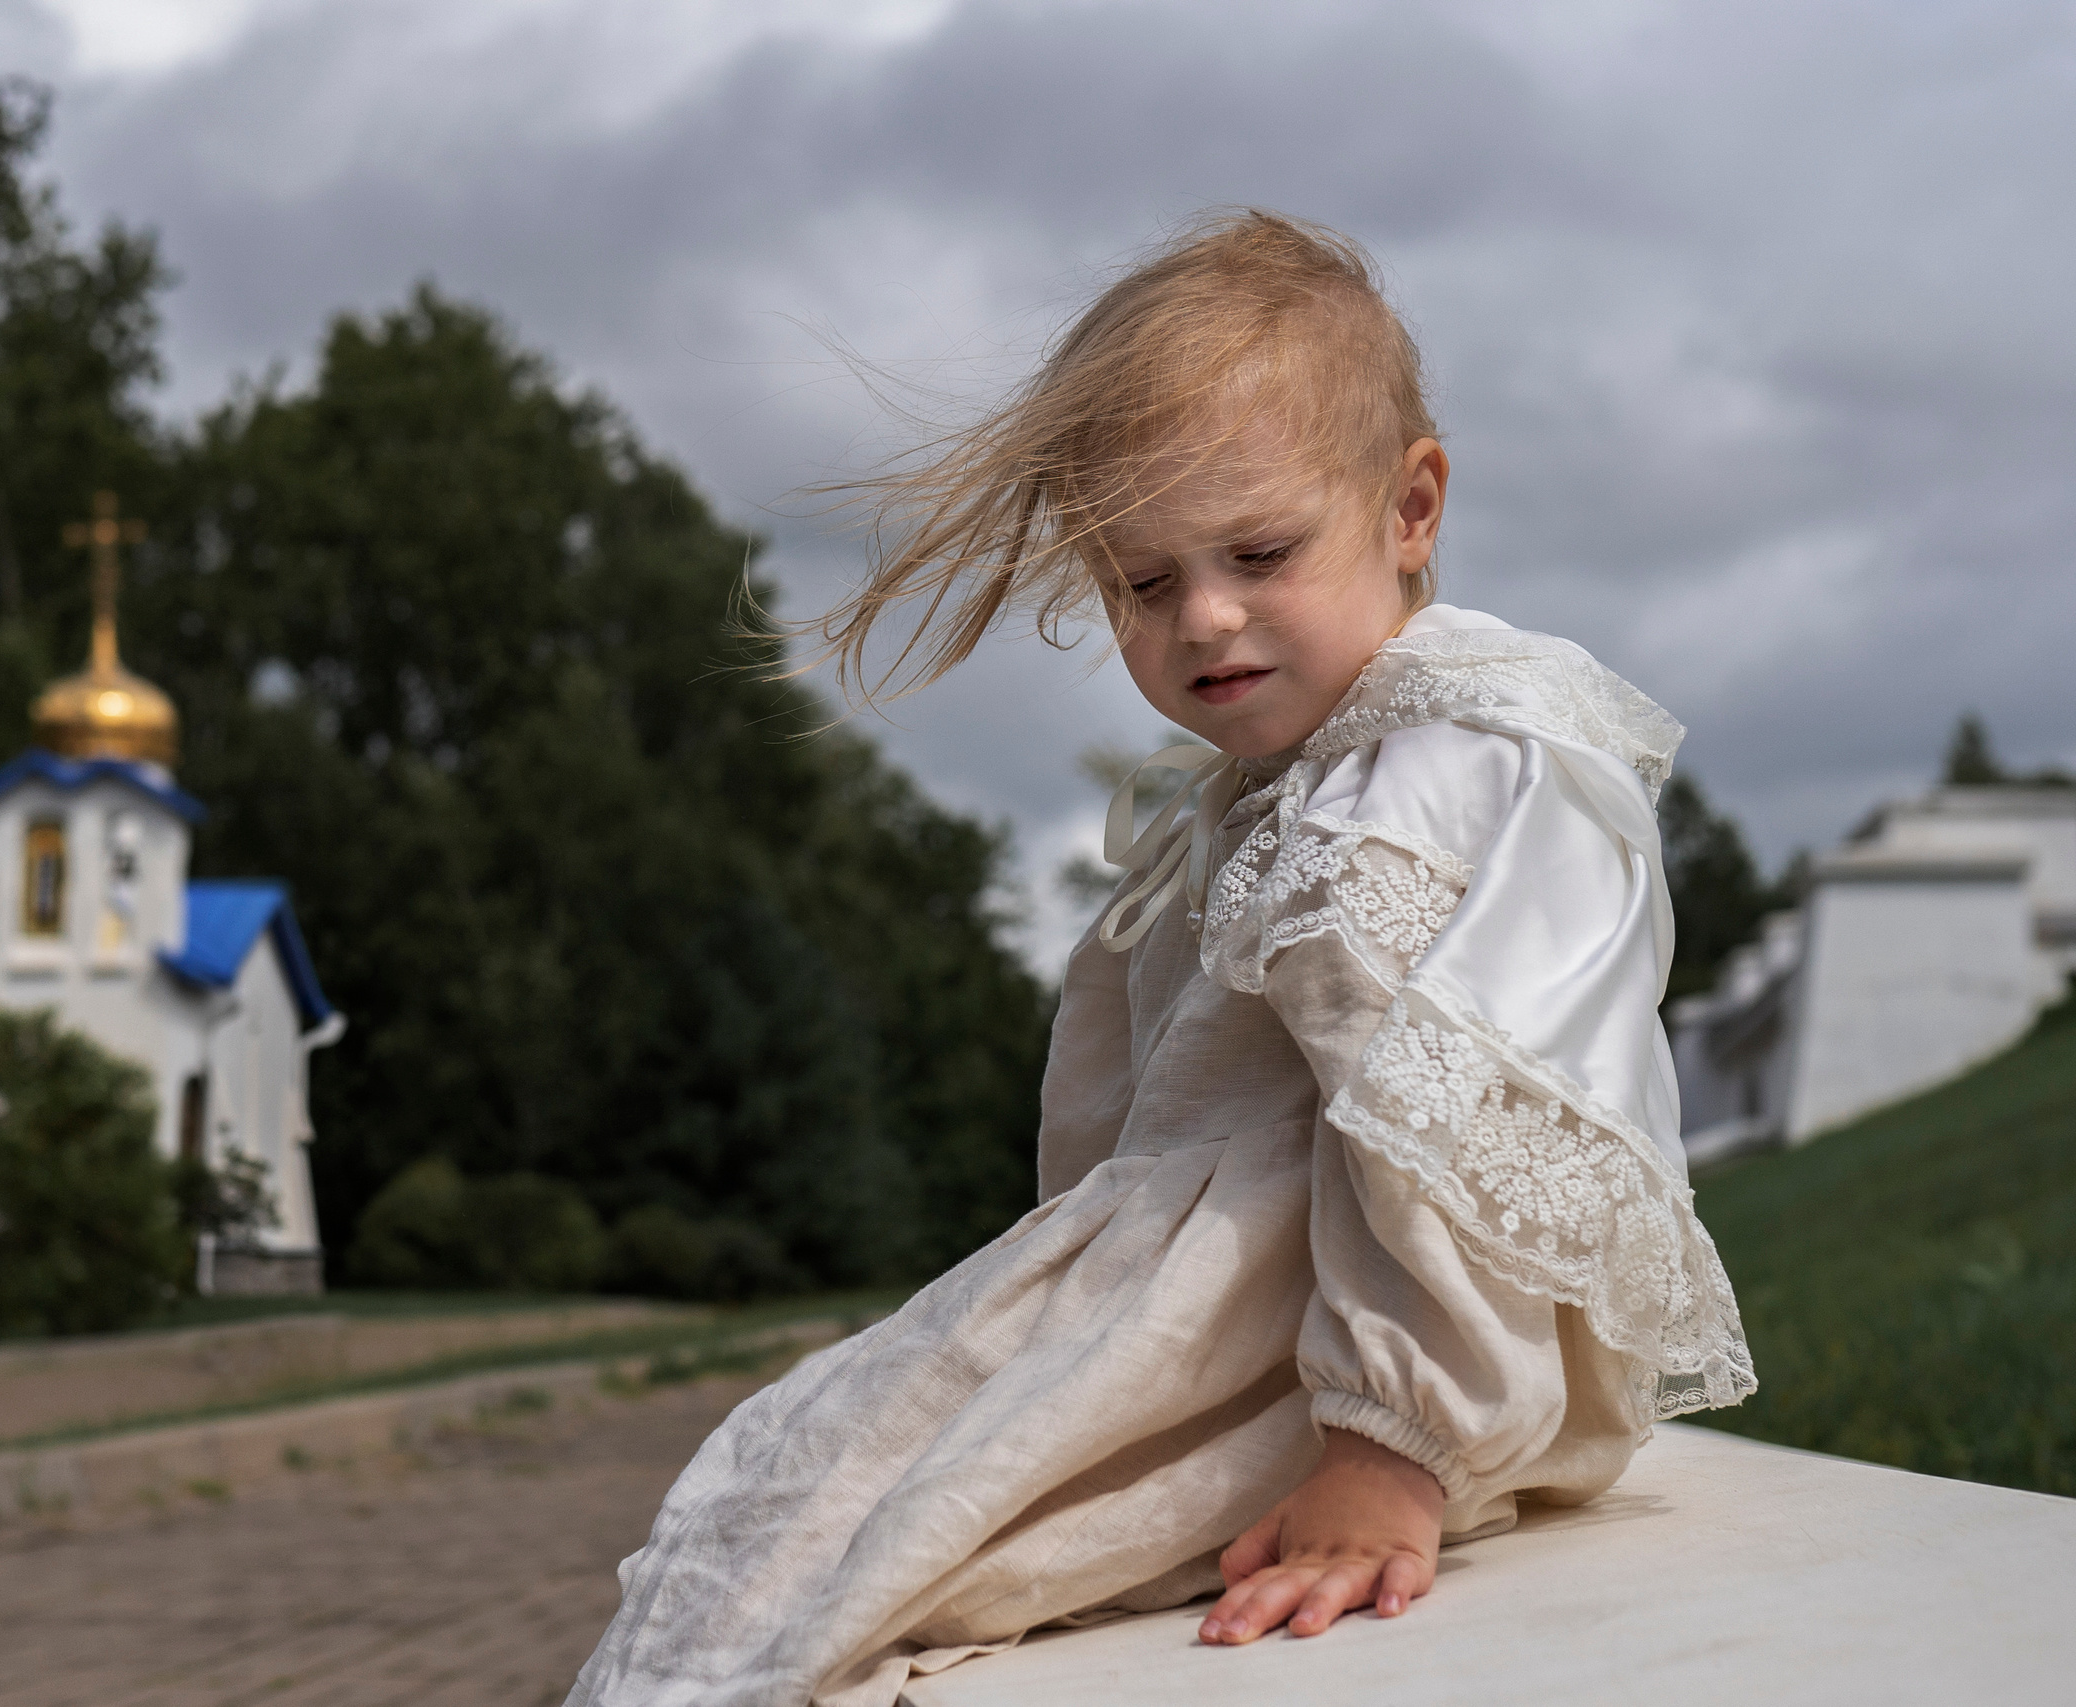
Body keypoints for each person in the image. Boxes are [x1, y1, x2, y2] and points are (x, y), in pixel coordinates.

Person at [567, 210, 1755, 1707]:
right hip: (1230, 1307)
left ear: (1410, 508)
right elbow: (1123, 1105)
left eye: (1260, 553)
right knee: (797, 1488)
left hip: (1334, 1356)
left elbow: (1447, 1128)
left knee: (846, 1541)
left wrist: (1394, 1450)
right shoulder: (1270, 788)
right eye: (1140, 582)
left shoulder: (1431, 772)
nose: (1204, 618)